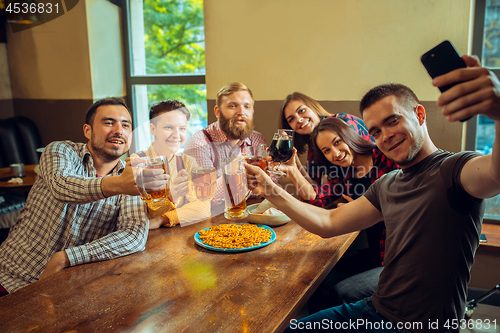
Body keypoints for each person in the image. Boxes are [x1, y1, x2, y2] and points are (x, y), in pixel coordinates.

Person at [245, 55, 498, 332]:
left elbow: (495, 173)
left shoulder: (454, 169)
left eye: (393, 121)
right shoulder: (387, 184)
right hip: (375, 310)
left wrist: (498, 109)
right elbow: (328, 223)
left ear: (419, 114)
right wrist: (270, 190)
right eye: (376, 131)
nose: (386, 135)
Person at [0, 97, 158, 296]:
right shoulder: (60, 151)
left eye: (126, 125)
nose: (119, 130)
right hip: (10, 277)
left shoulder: (129, 175)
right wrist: (118, 185)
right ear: (87, 131)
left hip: (65, 289)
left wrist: (66, 258)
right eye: (109, 122)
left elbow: (133, 235)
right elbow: (62, 186)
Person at [305, 117, 399, 312]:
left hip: (396, 257)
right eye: (326, 151)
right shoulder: (344, 172)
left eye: (337, 142)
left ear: (348, 135)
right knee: (318, 280)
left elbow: (407, 209)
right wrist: (291, 169)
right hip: (375, 253)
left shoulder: (385, 157)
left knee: (343, 291)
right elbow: (317, 200)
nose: (335, 153)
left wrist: (360, 210)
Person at [278, 92, 372, 205]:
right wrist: (294, 161)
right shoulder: (314, 145)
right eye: (291, 119)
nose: (299, 119)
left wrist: (357, 207)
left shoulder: (343, 122)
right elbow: (313, 189)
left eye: (301, 110)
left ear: (313, 107)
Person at [184, 82, 268, 207]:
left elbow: (271, 186)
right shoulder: (198, 143)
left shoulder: (257, 139)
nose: (241, 112)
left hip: (254, 214)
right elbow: (206, 198)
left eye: (247, 106)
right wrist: (240, 166)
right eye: (233, 106)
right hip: (213, 220)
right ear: (217, 112)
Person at [130, 99, 210, 228]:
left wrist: (162, 220)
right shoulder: (137, 162)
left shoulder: (188, 162)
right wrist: (171, 196)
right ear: (153, 129)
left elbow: (203, 207)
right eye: (168, 127)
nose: (176, 135)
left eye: (182, 128)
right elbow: (140, 213)